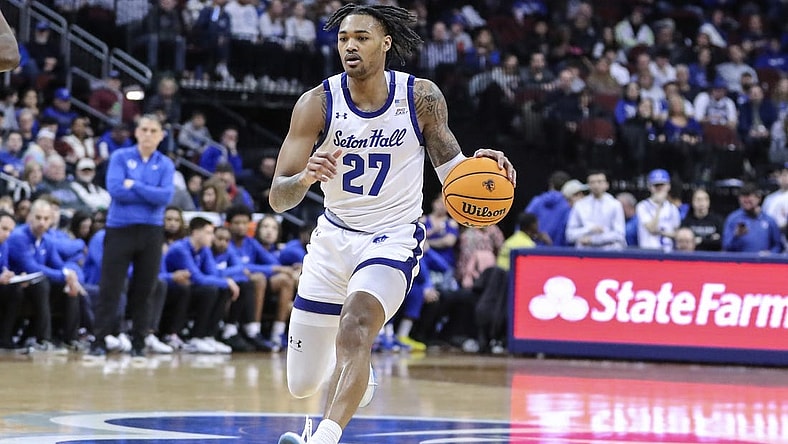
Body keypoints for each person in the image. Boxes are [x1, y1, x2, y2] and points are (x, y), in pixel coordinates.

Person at [269, 5, 516, 444]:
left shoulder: (420, 97)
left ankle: (323, 437)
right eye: (344, 38)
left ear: (385, 43)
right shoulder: (316, 103)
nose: (350, 46)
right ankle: (359, 372)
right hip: (332, 239)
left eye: (361, 38)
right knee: (301, 383)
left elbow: (452, 170)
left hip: (393, 235)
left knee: (357, 324)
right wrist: (306, 176)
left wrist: (481, 169)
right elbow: (278, 196)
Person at [88, 115, 175, 358]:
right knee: (110, 287)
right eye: (144, 129)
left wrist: (133, 185)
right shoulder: (120, 157)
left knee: (144, 289)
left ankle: (139, 341)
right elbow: (115, 189)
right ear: (136, 133)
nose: (148, 134)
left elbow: (165, 198)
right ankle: (99, 339)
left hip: (151, 231)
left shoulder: (166, 164)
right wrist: (148, 192)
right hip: (119, 229)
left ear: (161, 136)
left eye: (153, 130)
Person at [565, 171, 626, 250]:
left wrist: (593, 240)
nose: (596, 185)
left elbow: (620, 234)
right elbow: (569, 235)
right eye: (592, 182)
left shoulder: (615, 205)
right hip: (585, 253)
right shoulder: (579, 205)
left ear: (606, 185)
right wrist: (589, 229)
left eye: (600, 182)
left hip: (609, 252)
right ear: (588, 185)